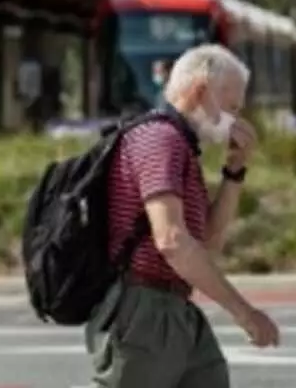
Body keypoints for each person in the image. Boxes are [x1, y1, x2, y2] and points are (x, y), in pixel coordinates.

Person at [87, 44, 280, 388]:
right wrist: (244, 313)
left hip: (174, 304)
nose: (235, 120)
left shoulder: (182, 147)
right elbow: (173, 240)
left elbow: (208, 242)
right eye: (232, 107)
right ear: (201, 91)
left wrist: (234, 172)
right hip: (143, 308)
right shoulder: (159, 140)